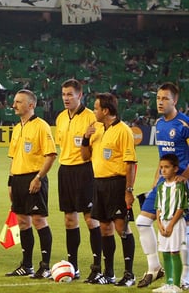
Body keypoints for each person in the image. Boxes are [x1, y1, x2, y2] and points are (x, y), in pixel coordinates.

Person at [81, 92, 137, 287]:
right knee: (105, 228)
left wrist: (128, 190)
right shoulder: (96, 128)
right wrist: (85, 138)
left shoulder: (123, 131)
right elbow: (85, 157)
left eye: (96, 108)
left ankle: (129, 274)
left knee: (122, 228)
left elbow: (130, 164)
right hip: (99, 183)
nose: (94, 111)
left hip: (117, 183)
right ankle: (109, 273)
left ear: (105, 110)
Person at [136, 83, 189, 288]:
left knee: (183, 231)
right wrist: (155, 184)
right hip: (163, 182)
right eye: (158, 98)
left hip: (182, 184)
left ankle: (185, 277)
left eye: (165, 98)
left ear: (174, 101)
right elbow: (162, 158)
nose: (160, 102)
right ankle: (154, 267)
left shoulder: (184, 124)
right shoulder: (158, 124)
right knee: (142, 221)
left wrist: (184, 177)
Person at [6, 89, 57, 279]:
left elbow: (51, 155)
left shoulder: (41, 126)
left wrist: (39, 178)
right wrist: (11, 182)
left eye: (18, 102)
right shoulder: (17, 128)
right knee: (22, 221)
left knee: (38, 220)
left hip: (34, 178)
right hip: (18, 180)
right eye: (14, 101)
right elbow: (13, 157)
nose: (14, 105)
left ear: (31, 105)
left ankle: (45, 266)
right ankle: (26, 265)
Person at [54, 79, 101, 282]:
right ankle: (72, 266)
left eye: (70, 94)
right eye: (63, 94)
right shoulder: (60, 117)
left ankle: (97, 266)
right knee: (69, 219)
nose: (66, 98)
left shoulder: (91, 117)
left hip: (85, 170)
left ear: (80, 95)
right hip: (65, 170)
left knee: (90, 219)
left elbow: (94, 148)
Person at [153, 154, 189, 292]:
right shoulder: (161, 186)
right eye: (161, 167)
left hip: (176, 223)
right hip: (163, 223)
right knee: (165, 252)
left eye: (167, 167)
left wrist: (171, 225)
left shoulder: (179, 186)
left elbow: (181, 207)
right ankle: (168, 283)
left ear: (175, 168)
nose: (163, 170)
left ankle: (176, 285)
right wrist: (159, 224)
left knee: (174, 252)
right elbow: (158, 207)